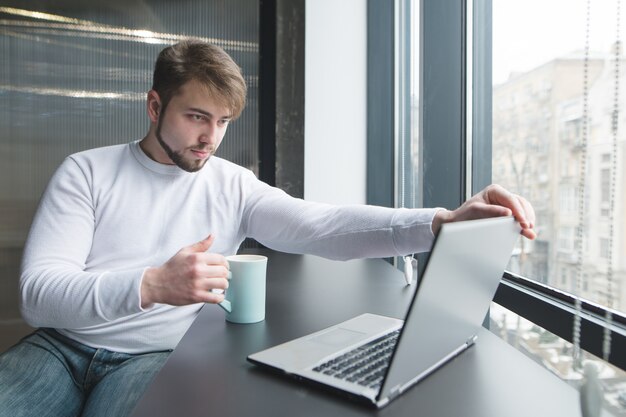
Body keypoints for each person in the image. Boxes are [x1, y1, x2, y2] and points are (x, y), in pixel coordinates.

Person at [0, 39, 536, 417]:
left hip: (152, 358)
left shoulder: (232, 184)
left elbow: (321, 226)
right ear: (154, 105)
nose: (211, 137)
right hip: (60, 347)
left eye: (223, 122)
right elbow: (38, 297)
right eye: (196, 117)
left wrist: (439, 223)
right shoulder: (85, 171)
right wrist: (152, 284)